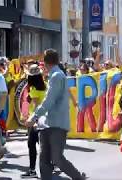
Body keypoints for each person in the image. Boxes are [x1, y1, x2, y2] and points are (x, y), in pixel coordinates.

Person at [25, 49, 86, 180]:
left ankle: (78, 177)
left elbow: (49, 100)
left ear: (45, 62)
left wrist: (34, 117)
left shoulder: (56, 76)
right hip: (47, 123)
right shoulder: (55, 75)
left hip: (56, 123)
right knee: (44, 159)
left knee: (56, 158)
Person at [21, 64, 47, 178]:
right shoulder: (44, 86)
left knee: (31, 144)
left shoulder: (34, 89)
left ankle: (32, 170)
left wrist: (34, 120)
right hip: (45, 118)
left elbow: (36, 105)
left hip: (36, 119)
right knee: (43, 145)